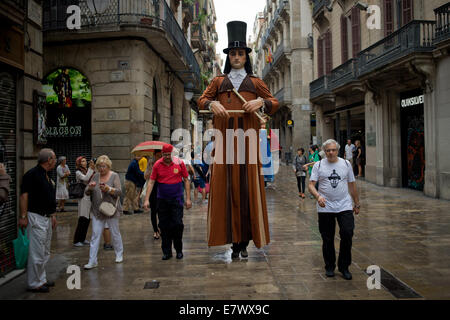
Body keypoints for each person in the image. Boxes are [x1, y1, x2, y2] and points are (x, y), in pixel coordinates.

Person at [197, 21, 279, 259]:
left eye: (240, 53)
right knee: (226, 192)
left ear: (246, 57)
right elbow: (201, 100)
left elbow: (274, 103)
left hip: (248, 143)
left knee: (247, 191)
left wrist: (261, 102)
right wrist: (212, 103)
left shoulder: (255, 83)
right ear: (229, 56)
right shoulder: (217, 82)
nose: (236, 57)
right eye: (233, 53)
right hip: (224, 144)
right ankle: (234, 243)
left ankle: (244, 243)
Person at [308, 139, 360, 280]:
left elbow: (352, 185)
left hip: (344, 205)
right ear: (324, 152)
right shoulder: (319, 165)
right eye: (328, 150)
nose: (331, 152)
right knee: (327, 238)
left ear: (338, 150)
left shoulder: (345, 164)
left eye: (333, 150)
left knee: (347, 233)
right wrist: (318, 196)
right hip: (326, 207)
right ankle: (330, 266)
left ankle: (344, 267)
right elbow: (311, 185)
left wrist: (357, 203)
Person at [143, 144, 192, 260]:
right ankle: (167, 252)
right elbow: (151, 182)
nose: (167, 157)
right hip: (162, 200)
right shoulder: (157, 165)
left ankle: (179, 250)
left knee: (177, 225)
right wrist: (146, 200)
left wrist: (188, 199)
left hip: (177, 200)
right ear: (161, 154)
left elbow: (186, 180)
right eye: (164, 155)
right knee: (164, 226)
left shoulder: (179, 163)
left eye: (168, 154)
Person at [19, 148, 57, 293]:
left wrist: (53, 215)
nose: (55, 161)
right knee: (36, 252)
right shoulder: (32, 175)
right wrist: (23, 217)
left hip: (46, 218)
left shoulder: (46, 175)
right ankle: (34, 283)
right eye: (54, 158)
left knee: (44, 251)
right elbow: (24, 196)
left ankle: (41, 279)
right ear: (49, 160)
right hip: (36, 217)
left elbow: (48, 197)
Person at [84, 155, 124, 269]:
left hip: (111, 210)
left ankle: (119, 254)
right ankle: (92, 261)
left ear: (108, 166)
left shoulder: (114, 176)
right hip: (98, 210)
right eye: (100, 166)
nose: (102, 169)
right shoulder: (95, 176)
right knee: (95, 235)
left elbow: (119, 192)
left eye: (104, 166)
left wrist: (109, 189)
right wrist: (90, 188)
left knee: (115, 232)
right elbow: (86, 192)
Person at [73, 156, 95, 247]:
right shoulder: (78, 172)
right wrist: (90, 168)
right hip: (83, 197)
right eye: (82, 161)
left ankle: (82, 238)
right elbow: (86, 179)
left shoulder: (87, 170)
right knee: (82, 218)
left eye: (85, 161)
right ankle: (77, 240)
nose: (85, 162)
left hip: (89, 196)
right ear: (79, 163)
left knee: (87, 219)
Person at [144, 150, 163, 240]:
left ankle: (161, 227)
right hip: (152, 189)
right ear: (154, 155)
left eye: (161, 155)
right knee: (154, 211)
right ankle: (155, 230)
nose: (159, 157)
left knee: (161, 210)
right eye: (158, 155)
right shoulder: (150, 163)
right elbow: (145, 176)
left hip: (161, 188)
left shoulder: (163, 163)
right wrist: (151, 170)